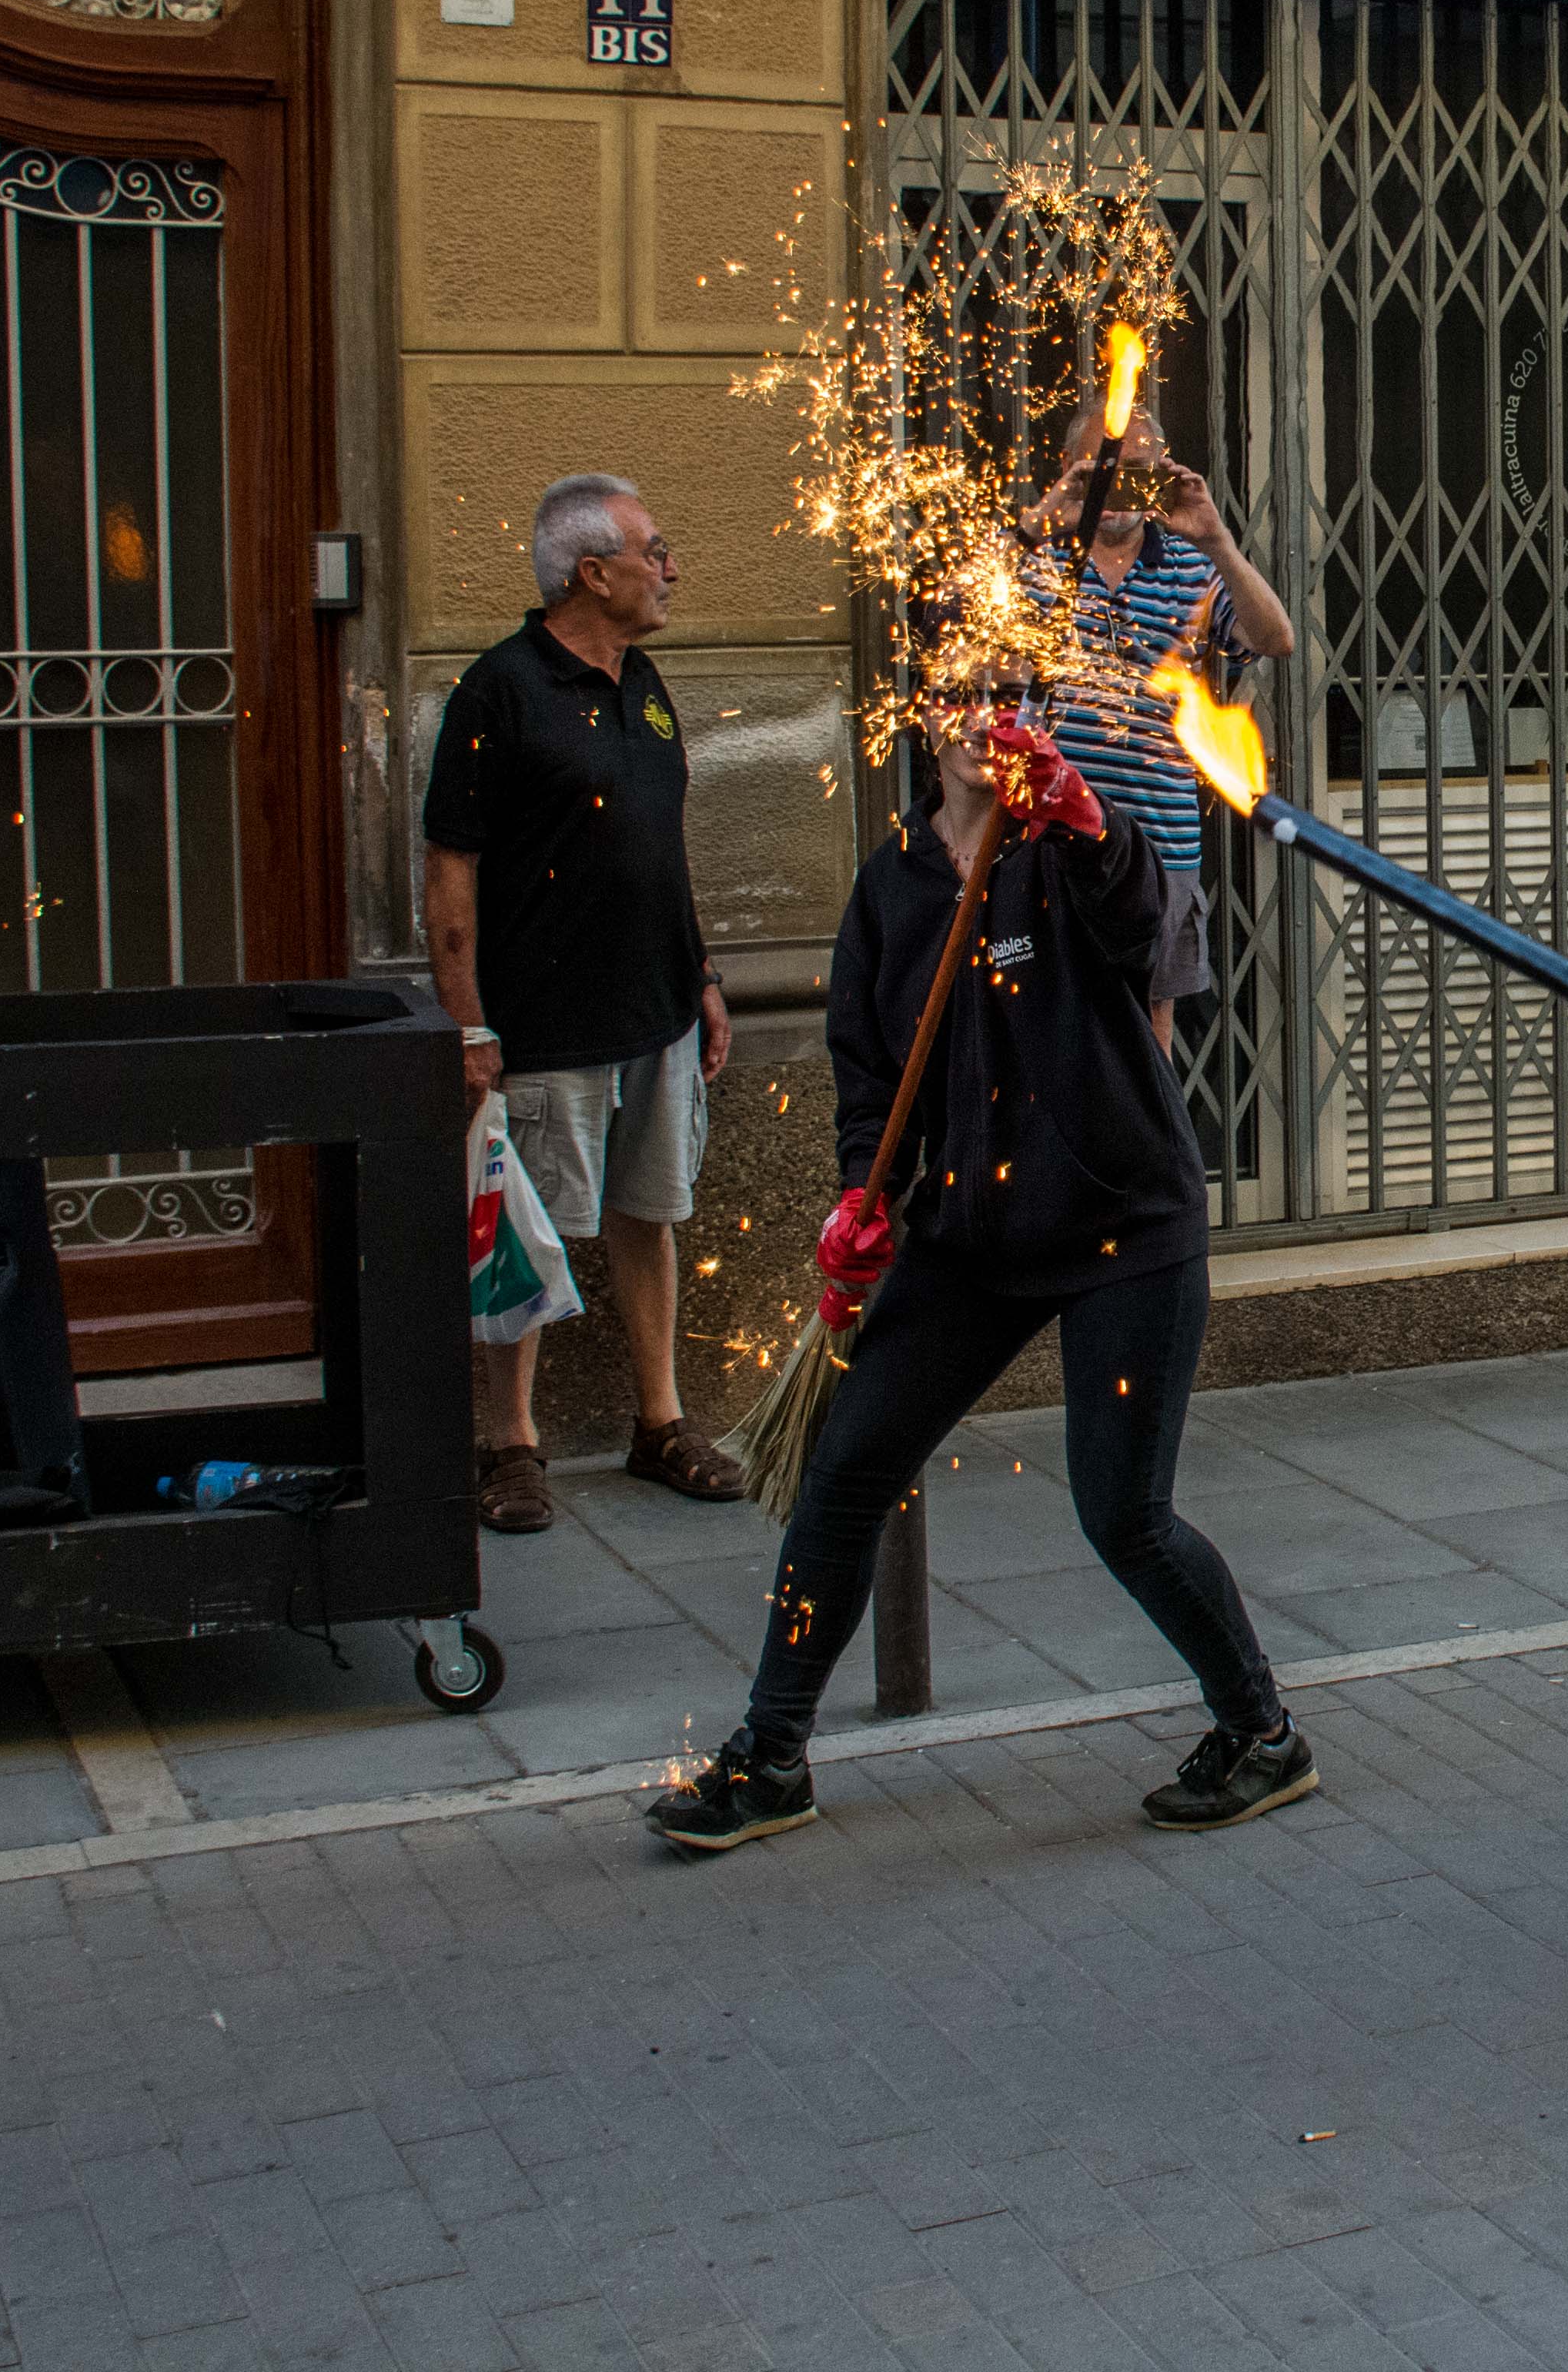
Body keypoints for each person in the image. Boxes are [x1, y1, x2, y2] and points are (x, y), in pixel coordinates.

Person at [647, 704, 1310, 1852]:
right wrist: (864, 1196)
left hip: (1122, 1227)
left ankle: (1261, 1732)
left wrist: (1094, 822)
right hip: (971, 1239)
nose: (983, 723)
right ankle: (772, 1760)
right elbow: (869, 1075)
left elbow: (1151, 932)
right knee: (844, 1475)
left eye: (1010, 696)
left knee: (1124, 1514)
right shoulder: (892, 888)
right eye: (959, 697)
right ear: (922, 724)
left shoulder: (1069, 849)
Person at [423, 473, 739, 1532]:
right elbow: (450, 869)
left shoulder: (643, 681)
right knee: (532, 1235)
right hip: (547, 1022)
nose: (671, 569)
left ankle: (661, 1423)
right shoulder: (497, 693)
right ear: (590, 571)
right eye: (656, 551)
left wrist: (702, 979)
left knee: (650, 1219)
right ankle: (508, 1443)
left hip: (656, 1011)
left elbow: (664, 845)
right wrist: (469, 1022)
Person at [1020, 393, 1295, 1057]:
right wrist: (1043, 519)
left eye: (1138, 470)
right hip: (1053, 848)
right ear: (1067, 469)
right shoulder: (1036, 563)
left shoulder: (1189, 567)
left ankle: (1147, 1164)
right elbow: (961, 625)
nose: (1119, 488)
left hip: (1160, 848)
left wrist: (1217, 538)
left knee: (1151, 1032)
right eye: (1102, 468)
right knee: (1050, 1026)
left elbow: (1275, 638)